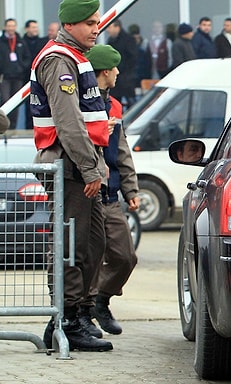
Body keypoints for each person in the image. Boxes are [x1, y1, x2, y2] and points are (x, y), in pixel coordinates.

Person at [32, 0, 112, 351]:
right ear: (73, 23)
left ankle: (78, 313)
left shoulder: (76, 55)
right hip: (70, 164)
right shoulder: (58, 59)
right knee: (71, 246)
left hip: (82, 165)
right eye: (91, 22)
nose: (97, 28)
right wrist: (89, 166)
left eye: (97, 22)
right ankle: (65, 319)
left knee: (92, 243)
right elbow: (68, 123)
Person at [82, 44, 140, 337]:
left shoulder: (115, 106)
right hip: (88, 193)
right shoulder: (82, 104)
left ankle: (101, 300)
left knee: (125, 257)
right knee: (90, 259)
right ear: (105, 71)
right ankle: (85, 313)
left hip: (111, 196)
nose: (118, 72)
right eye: (115, 68)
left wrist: (130, 189)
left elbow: (122, 149)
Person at [0, 18, 31, 129]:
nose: (11, 28)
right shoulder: (1, 41)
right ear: (5, 27)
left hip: (18, 76)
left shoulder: (20, 41)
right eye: (9, 26)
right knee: (5, 100)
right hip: (5, 77)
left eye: (13, 26)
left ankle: (12, 127)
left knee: (16, 103)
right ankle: (3, 127)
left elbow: (27, 57)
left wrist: (21, 66)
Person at [106, 19, 138, 109]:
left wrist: (125, 70)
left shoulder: (128, 40)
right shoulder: (110, 41)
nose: (107, 30)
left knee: (131, 103)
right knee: (115, 104)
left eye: (109, 27)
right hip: (115, 80)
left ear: (117, 27)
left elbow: (133, 58)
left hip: (126, 78)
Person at [24, 19, 48, 129]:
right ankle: (28, 127)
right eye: (33, 27)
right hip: (24, 77)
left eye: (36, 27)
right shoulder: (22, 42)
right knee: (27, 104)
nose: (35, 29)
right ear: (27, 28)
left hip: (39, 76)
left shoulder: (42, 42)